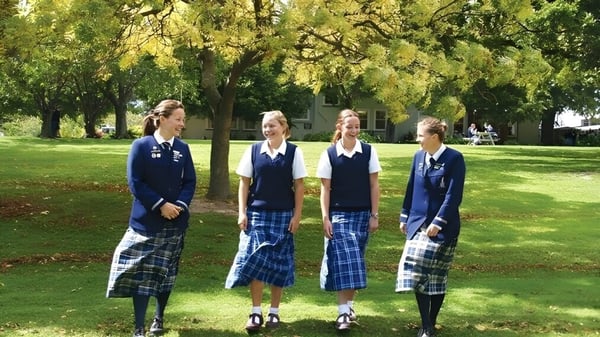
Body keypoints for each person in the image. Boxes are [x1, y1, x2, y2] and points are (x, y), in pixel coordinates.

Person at [106, 99, 196, 337]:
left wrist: (178, 206)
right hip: (146, 223)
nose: (182, 124)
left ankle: (159, 318)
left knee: (166, 273)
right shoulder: (141, 146)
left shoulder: (182, 149)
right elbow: (135, 182)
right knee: (142, 276)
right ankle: (139, 328)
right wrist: (160, 206)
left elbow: (190, 182)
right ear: (162, 119)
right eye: (178, 119)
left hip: (175, 223)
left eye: (183, 120)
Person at [225, 110, 307, 332]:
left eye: (272, 125)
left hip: (283, 215)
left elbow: (299, 186)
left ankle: (274, 312)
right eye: (265, 126)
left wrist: (297, 215)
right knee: (257, 263)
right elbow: (244, 183)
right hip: (257, 215)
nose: (268, 130)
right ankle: (255, 312)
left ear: (283, 127)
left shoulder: (293, 152)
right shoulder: (253, 151)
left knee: (279, 264)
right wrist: (242, 212)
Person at [395, 117, 466, 337]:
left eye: (420, 135)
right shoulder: (418, 157)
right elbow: (411, 188)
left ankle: (430, 325)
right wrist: (404, 216)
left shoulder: (454, 159)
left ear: (434, 137)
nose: (417, 140)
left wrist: (438, 222)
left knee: (436, 276)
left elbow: (453, 196)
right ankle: (426, 325)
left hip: (444, 228)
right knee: (416, 272)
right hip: (417, 224)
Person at [316, 109, 381, 331]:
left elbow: (374, 185)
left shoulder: (369, 152)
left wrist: (374, 215)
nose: (354, 130)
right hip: (339, 215)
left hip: (363, 215)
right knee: (346, 261)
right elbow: (325, 189)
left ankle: (350, 307)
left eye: (356, 126)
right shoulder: (330, 154)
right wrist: (325, 217)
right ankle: (342, 313)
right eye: (349, 127)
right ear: (340, 128)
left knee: (355, 261)